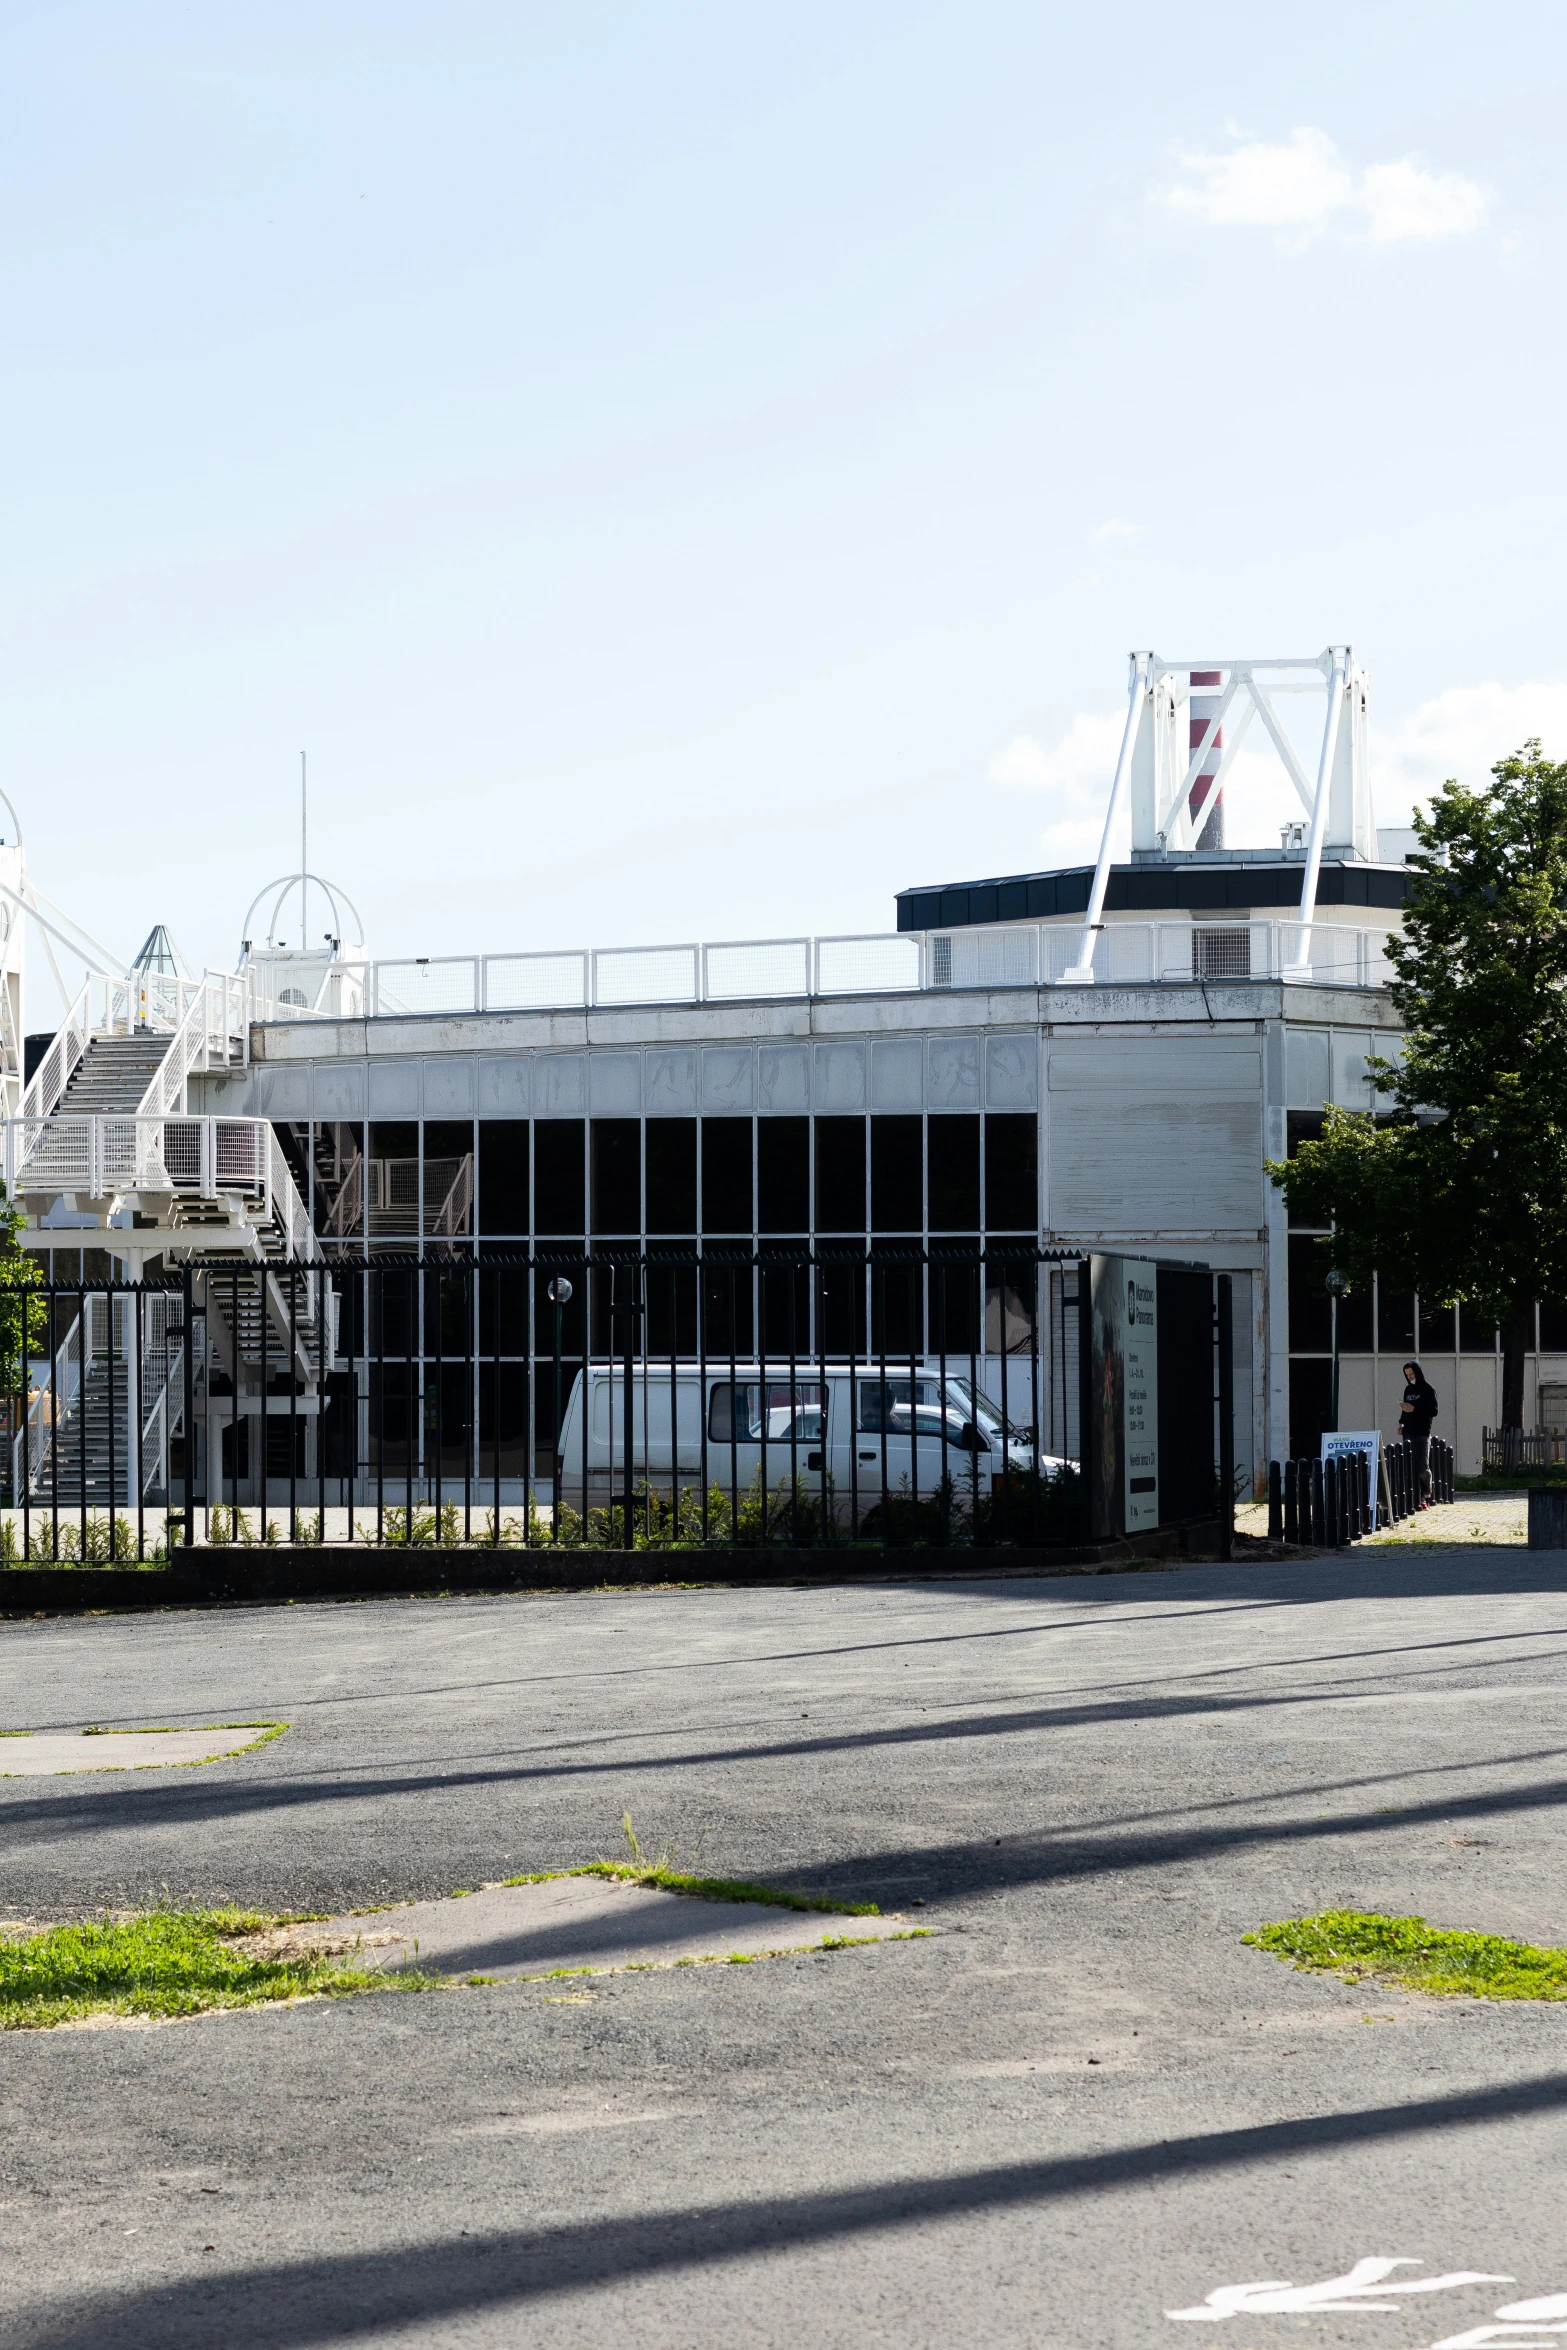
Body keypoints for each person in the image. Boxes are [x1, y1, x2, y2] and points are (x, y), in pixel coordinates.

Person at [1399, 1361, 1439, 1505]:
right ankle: (1414, 1498)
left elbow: (1434, 1411)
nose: (1409, 1377)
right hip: (1408, 1432)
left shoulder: (1428, 1389)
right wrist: (1401, 1422)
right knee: (1409, 1466)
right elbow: (1405, 1410)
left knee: (1423, 1466)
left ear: (1418, 1372)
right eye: (1407, 1375)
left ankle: (1427, 1493)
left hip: (1422, 1432)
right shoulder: (1408, 1390)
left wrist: (1414, 1409)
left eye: (1411, 1374)